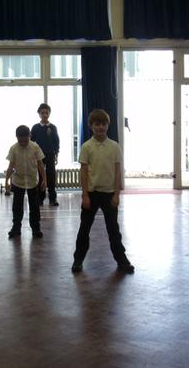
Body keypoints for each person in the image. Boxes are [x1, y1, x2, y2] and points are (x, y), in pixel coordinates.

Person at [71, 109, 134, 274]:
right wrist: (85, 195)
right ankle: (78, 259)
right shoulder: (86, 147)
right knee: (84, 228)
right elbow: (83, 172)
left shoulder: (114, 147)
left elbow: (118, 171)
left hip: (109, 194)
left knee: (113, 229)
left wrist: (116, 194)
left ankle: (122, 260)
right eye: (97, 124)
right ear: (91, 126)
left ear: (108, 125)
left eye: (103, 124)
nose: (100, 127)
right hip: (91, 194)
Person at [4, 125, 47, 239]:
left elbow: (41, 165)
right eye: (20, 140)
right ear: (16, 137)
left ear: (30, 136)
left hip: (33, 181)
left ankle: (36, 229)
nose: (23, 143)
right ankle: (16, 228)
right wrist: (6, 181)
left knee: (34, 207)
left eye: (25, 140)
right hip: (18, 181)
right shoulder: (13, 149)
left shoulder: (35, 147)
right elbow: (10, 166)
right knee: (17, 207)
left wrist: (45, 180)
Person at [31, 103, 60, 206]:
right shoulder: (35, 127)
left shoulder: (53, 127)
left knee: (51, 176)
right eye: (42, 113)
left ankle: (53, 198)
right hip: (38, 156)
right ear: (39, 114)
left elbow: (56, 141)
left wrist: (56, 154)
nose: (44, 115)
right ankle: (40, 198)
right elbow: (31, 141)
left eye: (46, 113)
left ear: (49, 114)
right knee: (40, 176)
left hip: (50, 154)